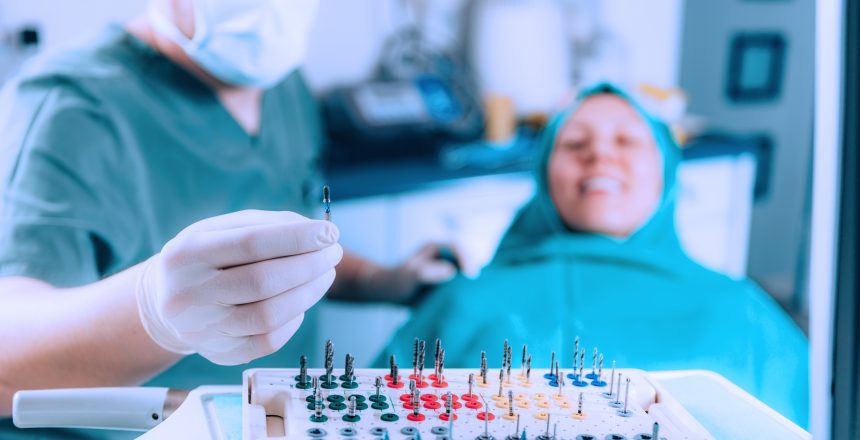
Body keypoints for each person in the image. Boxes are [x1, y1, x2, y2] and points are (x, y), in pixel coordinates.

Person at [0, 0, 458, 436]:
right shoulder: (67, 109)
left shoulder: (280, 83)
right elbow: (7, 359)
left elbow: (278, 254)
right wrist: (151, 312)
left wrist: (381, 280)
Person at [379, 83, 809, 427]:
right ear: (545, 174)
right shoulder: (464, 301)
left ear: (666, 172)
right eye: (574, 144)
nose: (600, 154)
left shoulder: (742, 311)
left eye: (626, 141)